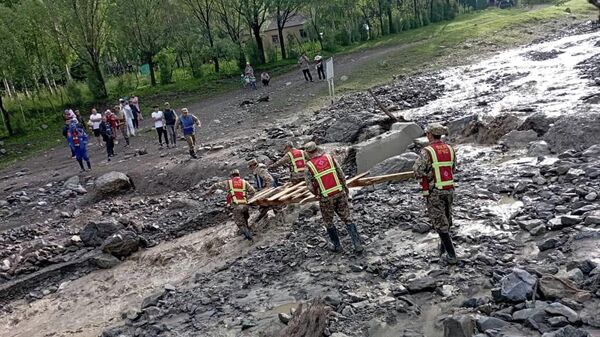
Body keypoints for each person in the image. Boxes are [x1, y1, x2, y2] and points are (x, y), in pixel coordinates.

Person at [304, 142, 362, 252]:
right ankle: (357, 244)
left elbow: (309, 186)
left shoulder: (309, 166)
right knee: (347, 218)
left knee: (328, 222)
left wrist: (316, 194)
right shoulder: (329, 158)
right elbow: (341, 174)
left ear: (307, 152)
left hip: (326, 197)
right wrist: (345, 189)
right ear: (317, 149)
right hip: (339, 192)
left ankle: (337, 246)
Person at [413, 123, 458, 265]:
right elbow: (453, 168)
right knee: (447, 217)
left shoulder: (428, 151)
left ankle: (451, 255)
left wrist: (428, 176)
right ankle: (443, 250)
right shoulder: (450, 149)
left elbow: (417, 170)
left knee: (439, 221)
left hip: (435, 191)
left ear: (430, 135)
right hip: (449, 188)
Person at [205, 169, 256, 241]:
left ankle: (250, 239)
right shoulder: (244, 182)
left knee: (240, 224)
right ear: (238, 175)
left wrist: (209, 191)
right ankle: (249, 233)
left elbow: (216, 185)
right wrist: (246, 198)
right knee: (245, 219)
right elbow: (253, 192)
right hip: (245, 205)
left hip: (237, 206)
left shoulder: (229, 183)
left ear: (232, 176)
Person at [248, 159, 281, 224]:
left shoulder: (259, 170)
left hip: (269, 190)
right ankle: (274, 220)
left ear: (253, 166)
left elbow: (269, 180)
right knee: (268, 206)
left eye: (250, 166)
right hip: (269, 189)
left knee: (271, 205)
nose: (250, 168)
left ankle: (278, 220)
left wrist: (267, 190)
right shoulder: (259, 170)